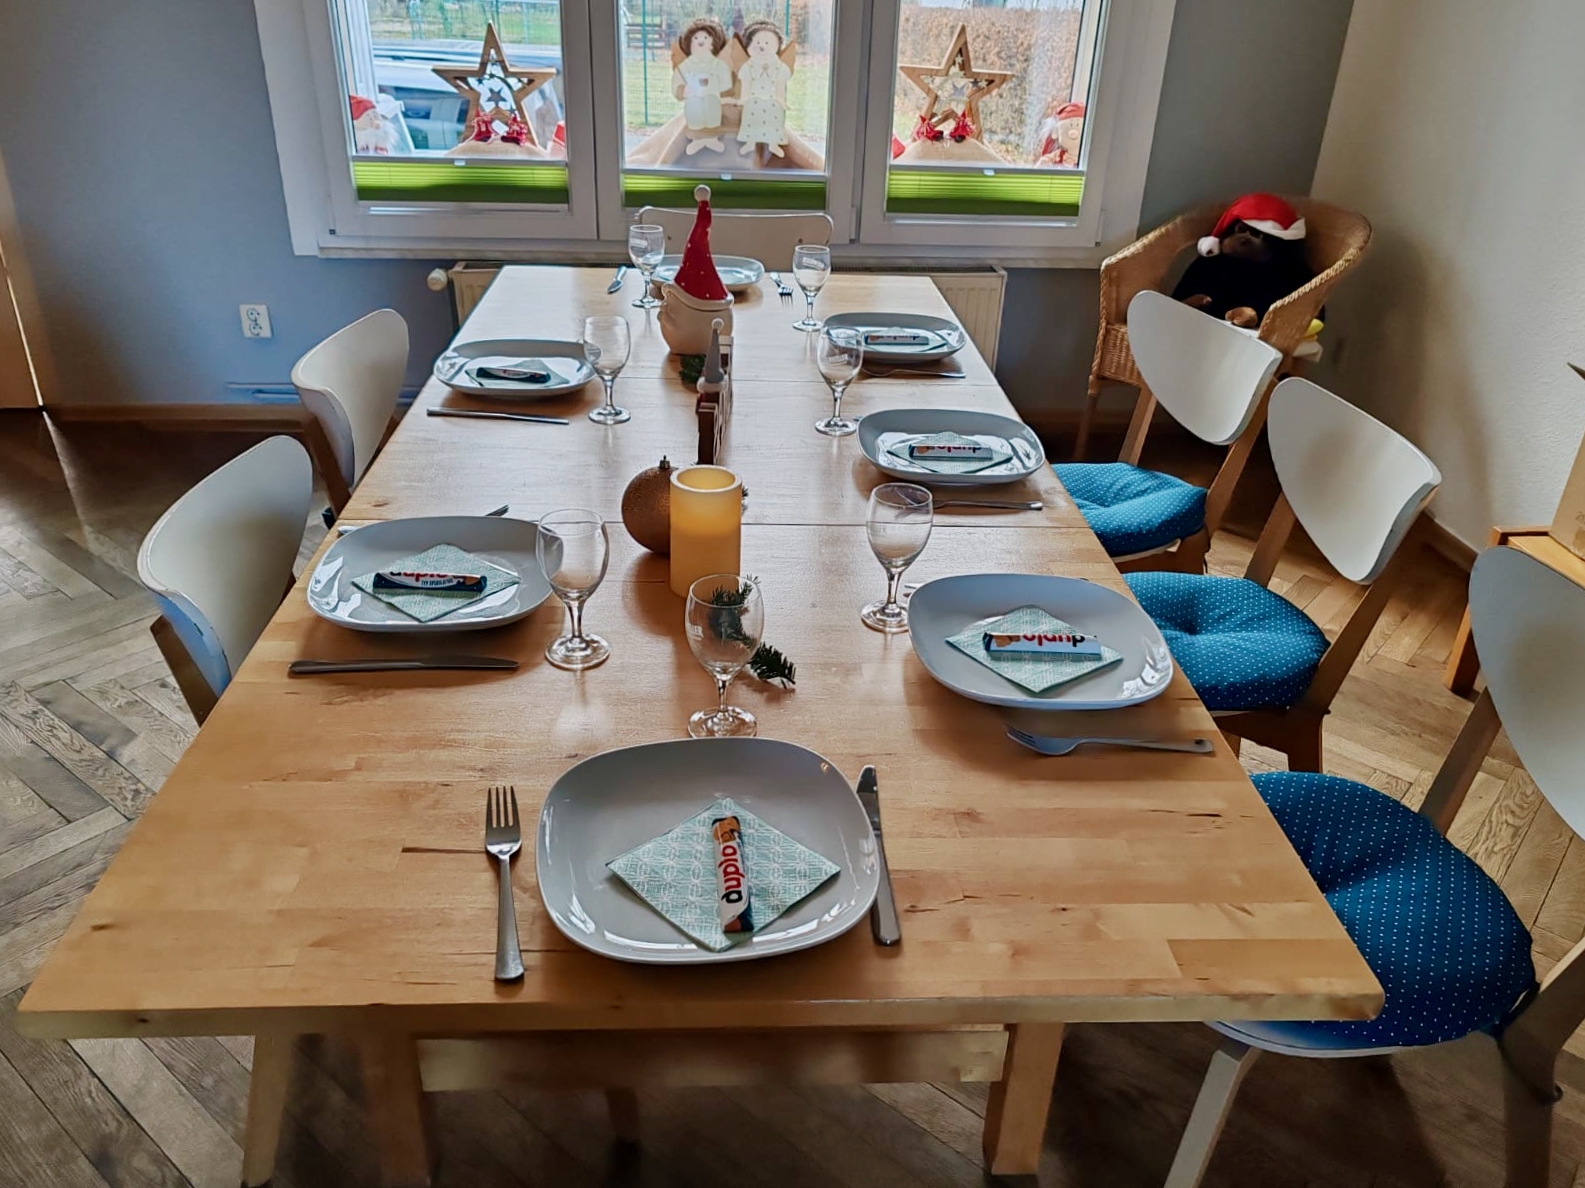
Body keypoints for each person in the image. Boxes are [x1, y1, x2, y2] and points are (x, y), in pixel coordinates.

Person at [672, 17, 732, 155]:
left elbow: (726, 83)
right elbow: (678, 81)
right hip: (694, 100)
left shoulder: (719, 65)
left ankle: (711, 138)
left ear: (713, 44)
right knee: (694, 105)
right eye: (696, 38)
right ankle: (697, 139)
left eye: (705, 38)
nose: (701, 41)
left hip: (713, 99)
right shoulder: (686, 66)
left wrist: (722, 91)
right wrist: (682, 90)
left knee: (712, 104)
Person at [734, 20, 791, 158]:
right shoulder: (749, 66)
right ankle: (750, 142)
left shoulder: (779, 67)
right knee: (751, 116)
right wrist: (744, 98)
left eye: (767, 43)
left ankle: (773, 144)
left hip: (772, 99)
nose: (762, 46)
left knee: (774, 116)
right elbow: (746, 83)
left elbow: (780, 85)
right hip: (754, 98)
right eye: (758, 42)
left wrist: (781, 100)